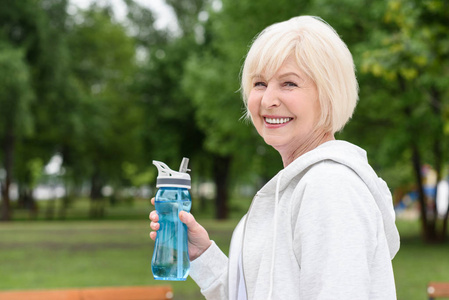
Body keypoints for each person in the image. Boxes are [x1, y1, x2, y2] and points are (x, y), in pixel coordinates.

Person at [149, 15, 400, 300]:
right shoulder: (296, 185)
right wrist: (202, 256)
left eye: (289, 83)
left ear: (328, 94)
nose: (268, 100)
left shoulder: (329, 186)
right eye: (259, 83)